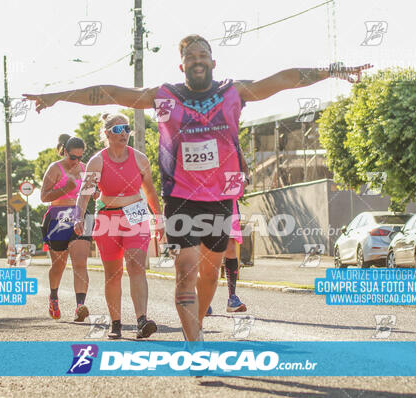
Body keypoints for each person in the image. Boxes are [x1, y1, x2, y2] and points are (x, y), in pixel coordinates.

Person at [23, 34, 371, 341]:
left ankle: (198, 322)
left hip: (220, 198)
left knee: (210, 274)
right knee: (184, 271)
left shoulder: (233, 92)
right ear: (182, 65)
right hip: (180, 199)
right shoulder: (165, 96)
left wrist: (334, 70)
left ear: (213, 62)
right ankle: (194, 344)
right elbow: (109, 93)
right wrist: (57, 96)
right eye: (190, 57)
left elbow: (285, 79)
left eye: (203, 55)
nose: (197, 61)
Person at [73, 113, 163, 339]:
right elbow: (84, 194)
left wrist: (159, 218)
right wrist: (78, 217)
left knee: (136, 265)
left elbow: (150, 191)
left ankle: (142, 320)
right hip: (108, 218)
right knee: (113, 274)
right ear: (107, 134)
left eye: (126, 128)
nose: (123, 133)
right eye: (117, 129)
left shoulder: (140, 159)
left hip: (135, 213)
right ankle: (116, 323)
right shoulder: (97, 161)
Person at [40, 136, 93, 322]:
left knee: (80, 262)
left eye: (80, 157)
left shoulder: (86, 169)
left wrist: (96, 192)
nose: (76, 161)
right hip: (58, 217)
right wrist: (65, 189)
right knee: (59, 265)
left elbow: (92, 193)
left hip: (80, 216)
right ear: (64, 151)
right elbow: (44, 196)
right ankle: (53, 297)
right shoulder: (55, 168)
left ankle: (80, 305)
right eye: (73, 157)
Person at [207, 156, 250, 315]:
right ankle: (204, 300)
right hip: (206, 197)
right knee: (209, 252)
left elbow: (245, 168)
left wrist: (245, 180)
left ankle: (232, 298)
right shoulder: (201, 138)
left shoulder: (233, 143)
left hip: (229, 198)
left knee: (231, 247)